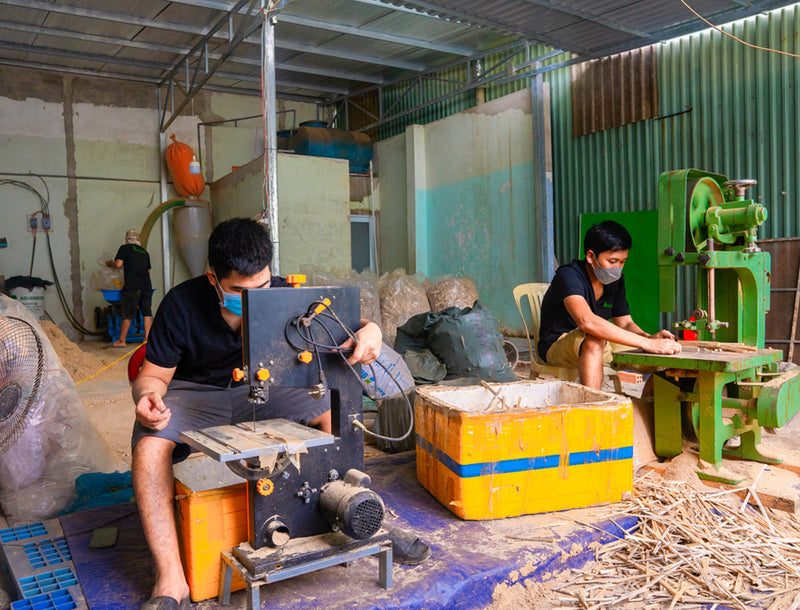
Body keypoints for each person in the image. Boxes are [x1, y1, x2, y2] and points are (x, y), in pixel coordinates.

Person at [132, 218, 383, 610]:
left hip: (264, 393)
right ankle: (170, 579)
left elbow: (344, 323)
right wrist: (148, 396)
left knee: (335, 414)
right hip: (198, 395)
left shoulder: (283, 294)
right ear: (213, 278)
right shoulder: (181, 304)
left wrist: (372, 331)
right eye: (238, 291)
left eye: (261, 287)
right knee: (149, 446)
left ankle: (340, 515)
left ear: (270, 273)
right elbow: (153, 376)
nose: (251, 299)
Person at [537, 220, 681, 390]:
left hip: (601, 341)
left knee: (666, 356)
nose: (618, 268)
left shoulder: (615, 281)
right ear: (591, 257)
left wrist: (649, 338)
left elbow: (625, 324)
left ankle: (646, 406)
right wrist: (646, 343)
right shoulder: (569, 275)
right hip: (557, 344)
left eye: (622, 261)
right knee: (594, 339)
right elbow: (587, 322)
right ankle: (592, 403)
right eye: (612, 261)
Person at [106, 229, 152, 347]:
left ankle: (122, 341)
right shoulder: (144, 252)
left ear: (127, 238)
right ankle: (147, 340)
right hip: (147, 285)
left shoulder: (125, 248)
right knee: (147, 312)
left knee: (128, 313)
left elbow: (118, 264)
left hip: (132, 285)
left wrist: (110, 264)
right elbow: (148, 272)